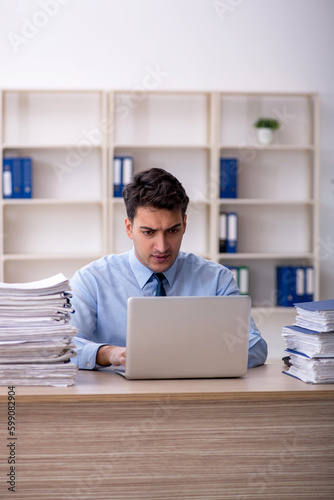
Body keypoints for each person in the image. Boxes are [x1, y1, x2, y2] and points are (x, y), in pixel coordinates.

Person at [70, 168, 267, 370]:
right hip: (120, 398)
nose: (162, 246)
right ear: (129, 228)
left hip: (197, 395)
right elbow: (64, 347)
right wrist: (110, 353)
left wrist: (187, 358)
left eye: (173, 231)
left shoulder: (217, 279)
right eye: (149, 232)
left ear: (184, 224)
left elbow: (255, 345)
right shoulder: (91, 280)